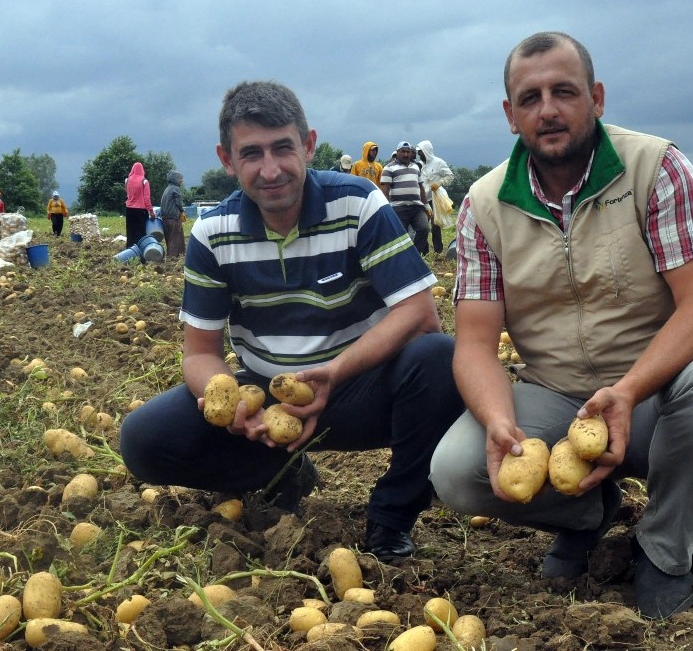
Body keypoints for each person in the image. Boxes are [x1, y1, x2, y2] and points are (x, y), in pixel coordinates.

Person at [428, 31, 693, 619]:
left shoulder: (655, 167)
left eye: (564, 91)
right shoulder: (483, 206)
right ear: (511, 116)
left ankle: (664, 546)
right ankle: (587, 514)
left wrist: (628, 391)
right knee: (456, 472)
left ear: (597, 98)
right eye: (530, 98)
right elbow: (476, 344)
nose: (549, 110)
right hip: (556, 399)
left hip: (657, 398)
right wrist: (499, 421)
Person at [119, 80, 464, 561]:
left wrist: (335, 374)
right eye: (251, 154)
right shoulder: (213, 232)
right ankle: (278, 473)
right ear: (227, 160)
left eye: (283, 148)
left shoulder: (358, 203)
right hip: (268, 399)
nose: (270, 169)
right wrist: (234, 402)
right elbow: (199, 354)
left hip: (358, 387)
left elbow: (420, 314)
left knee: (440, 359)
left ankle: (391, 518)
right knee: (143, 441)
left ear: (308, 145)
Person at [380, 142, 429, 255]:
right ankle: (401, 258)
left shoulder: (415, 167)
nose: (406, 154)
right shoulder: (389, 168)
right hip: (398, 208)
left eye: (408, 152)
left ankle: (415, 255)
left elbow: (421, 186)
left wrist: (426, 205)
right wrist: (385, 208)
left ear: (411, 153)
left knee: (424, 229)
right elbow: (385, 189)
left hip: (416, 207)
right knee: (399, 235)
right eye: (403, 152)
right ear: (397, 153)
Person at [415, 141, 454, 256]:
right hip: (423, 198)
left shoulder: (439, 163)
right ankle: (424, 250)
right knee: (423, 226)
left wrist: (439, 182)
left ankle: (438, 250)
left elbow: (450, 176)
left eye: (420, 152)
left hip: (434, 198)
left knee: (435, 225)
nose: (419, 154)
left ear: (426, 151)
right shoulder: (419, 165)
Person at [124, 162, 154, 247]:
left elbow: (128, 194)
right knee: (141, 232)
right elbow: (147, 199)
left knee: (131, 232)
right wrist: (151, 211)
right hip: (141, 211)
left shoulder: (127, 180)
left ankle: (130, 250)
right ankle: (141, 250)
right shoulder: (144, 181)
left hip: (129, 209)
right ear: (142, 170)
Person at [159, 170, 186, 259]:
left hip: (165, 218)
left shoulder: (167, 189)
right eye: (180, 179)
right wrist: (182, 211)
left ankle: (179, 255)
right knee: (175, 238)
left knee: (170, 238)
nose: (181, 181)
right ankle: (172, 257)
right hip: (173, 217)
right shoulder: (176, 189)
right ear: (175, 179)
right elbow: (178, 203)